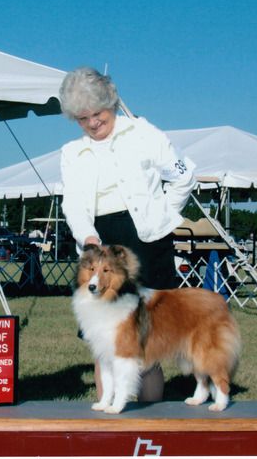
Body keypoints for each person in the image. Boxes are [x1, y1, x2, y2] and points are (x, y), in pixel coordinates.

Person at [58, 67, 196, 402]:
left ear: (112, 103)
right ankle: (108, 421)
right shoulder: (71, 153)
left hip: (147, 243)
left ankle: (151, 422)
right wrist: (88, 238)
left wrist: (162, 215)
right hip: (100, 246)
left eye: (98, 113)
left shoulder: (144, 133)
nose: (93, 123)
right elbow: (72, 203)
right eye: (82, 118)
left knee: (146, 344)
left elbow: (184, 175)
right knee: (104, 344)